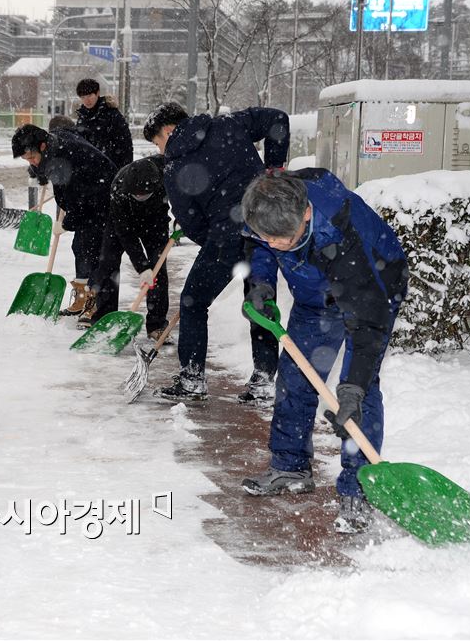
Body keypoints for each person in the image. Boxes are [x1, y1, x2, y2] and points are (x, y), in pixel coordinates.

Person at [238, 168, 408, 534]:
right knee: (296, 375)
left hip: (373, 287)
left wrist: (353, 387)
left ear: (307, 214)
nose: (276, 244)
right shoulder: (267, 206)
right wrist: (261, 284)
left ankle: (359, 488)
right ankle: (290, 466)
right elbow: (257, 245)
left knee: (359, 391)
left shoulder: (344, 235)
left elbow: (368, 325)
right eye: (270, 237)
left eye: (284, 238)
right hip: (314, 294)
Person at [142, 102, 288, 403]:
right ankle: (264, 380)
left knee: (193, 303)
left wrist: (216, 239)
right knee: (259, 302)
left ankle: (192, 377)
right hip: (266, 227)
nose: (159, 151)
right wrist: (274, 172)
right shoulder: (227, 124)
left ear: (168, 131)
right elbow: (278, 119)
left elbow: (192, 223)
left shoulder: (174, 167)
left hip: (226, 237)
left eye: (158, 142)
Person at [11, 123, 117, 327]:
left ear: (42, 146)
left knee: (96, 251)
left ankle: (98, 306)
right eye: (27, 160)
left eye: (32, 157)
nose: (31, 162)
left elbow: (77, 202)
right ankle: (82, 297)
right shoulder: (54, 141)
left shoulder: (63, 158)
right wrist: (38, 170)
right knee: (80, 246)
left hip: (103, 197)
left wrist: (66, 223)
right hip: (91, 193)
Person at [85, 155, 171, 338]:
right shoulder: (119, 187)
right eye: (136, 194)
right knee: (107, 264)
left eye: (142, 194)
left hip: (156, 222)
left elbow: (185, 196)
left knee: (158, 268)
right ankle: (105, 318)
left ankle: (157, 324)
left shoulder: (167, 173)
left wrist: (182, 219)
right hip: (122, 221)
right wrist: (142, 267)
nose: (139, 196)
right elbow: (125, 233)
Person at [74, 78, 133, 170]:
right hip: (88, 172)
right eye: (83, 97)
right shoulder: (82, 118)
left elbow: (125, 145)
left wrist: (124, 172)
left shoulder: (112, 115)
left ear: (97, 93)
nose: (87, 100)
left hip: (111, 169)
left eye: (89, 95)